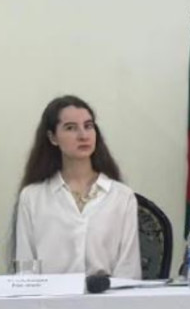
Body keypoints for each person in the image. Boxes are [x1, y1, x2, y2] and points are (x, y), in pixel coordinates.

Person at [15, 95, 141, 278]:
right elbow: (25, 271)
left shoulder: (122, 196)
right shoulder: (32, 197)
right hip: (49, 296)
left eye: (88, 126)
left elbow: (129, 270)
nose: (83, 135)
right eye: (71, 128)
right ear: (52, 137)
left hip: (107, 294)